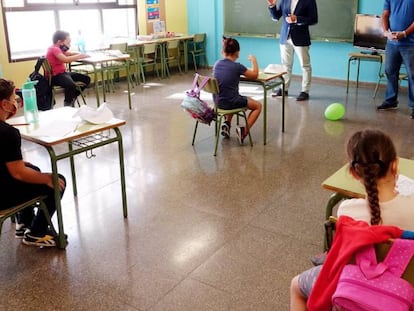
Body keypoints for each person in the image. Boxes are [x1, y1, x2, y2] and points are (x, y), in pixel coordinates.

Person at [290, 128, 414, 311]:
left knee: (296, 285)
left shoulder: (346, 211)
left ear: (354, 173)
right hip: (403, 293)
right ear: (395, 165)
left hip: (353, 288)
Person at [0, 78, 66, 247]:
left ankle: (24, 222)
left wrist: (22, 166)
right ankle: (37, 232)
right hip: (3, 196)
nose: (17, 103)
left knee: (33, 168)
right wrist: (46, 178)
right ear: (5, 105)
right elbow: (18, 173)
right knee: (57, 181)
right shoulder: (8, 133)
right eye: (14, 100)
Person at [213, 37, 262, 145]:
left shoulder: (216, 64)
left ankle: (227, 124)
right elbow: (255, 75)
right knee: (258, 106)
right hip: (230, 102)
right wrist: (254, 61)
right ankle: (244, 131)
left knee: (231, 95)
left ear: (223, 51)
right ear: (237, 53)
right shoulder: (237, 67)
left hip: (218, 103)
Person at [267, 0, 318, 101]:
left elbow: (313, 19)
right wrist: (272, 6)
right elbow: (276, 17)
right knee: (286, 65)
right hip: (285, 37)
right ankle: (284, 89)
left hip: (301, 38)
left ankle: (305, 91)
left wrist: (297, 19)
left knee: (305, 66)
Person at [376, 0, 414, 118]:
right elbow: (385, 14)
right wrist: (386, 32)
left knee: (413, 75)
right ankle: (391, 100)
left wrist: (404, 33)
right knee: (390, 71)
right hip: (392, 43)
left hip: (411, 44)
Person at [46, 30, 91, 107]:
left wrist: (79, 53)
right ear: (60, 42)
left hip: (63, 73)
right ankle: (68, 104)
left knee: (86, 79)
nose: (69, 45)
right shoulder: (54, 49)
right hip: (55, 76)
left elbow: (68, 54)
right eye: (68, 43)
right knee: (71, 85)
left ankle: (73, 97)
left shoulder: (57, 48)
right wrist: (80, 56)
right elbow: (65, 59)